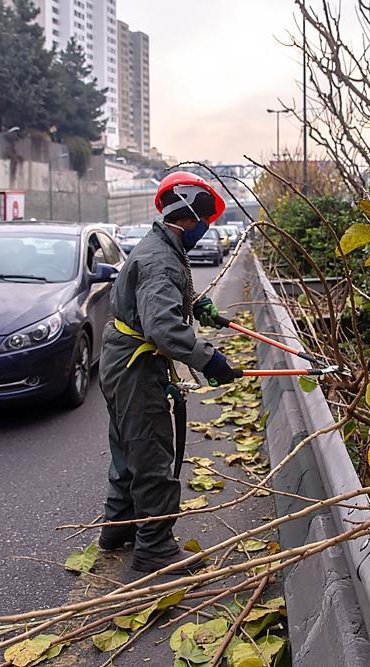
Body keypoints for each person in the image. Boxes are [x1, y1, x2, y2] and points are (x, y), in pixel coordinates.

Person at [98, 171, 234, 573]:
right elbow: (161, 327)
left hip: (119, 357)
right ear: (191, 214)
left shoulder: (159, 244)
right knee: (152, 451)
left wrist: (194, 306)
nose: (207, 229)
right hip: (136, 366)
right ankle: (155, 547)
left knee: (127, 446)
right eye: (206, 221)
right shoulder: (161, 260)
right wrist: (209, 360)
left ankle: (118, 525)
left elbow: (159, 302)